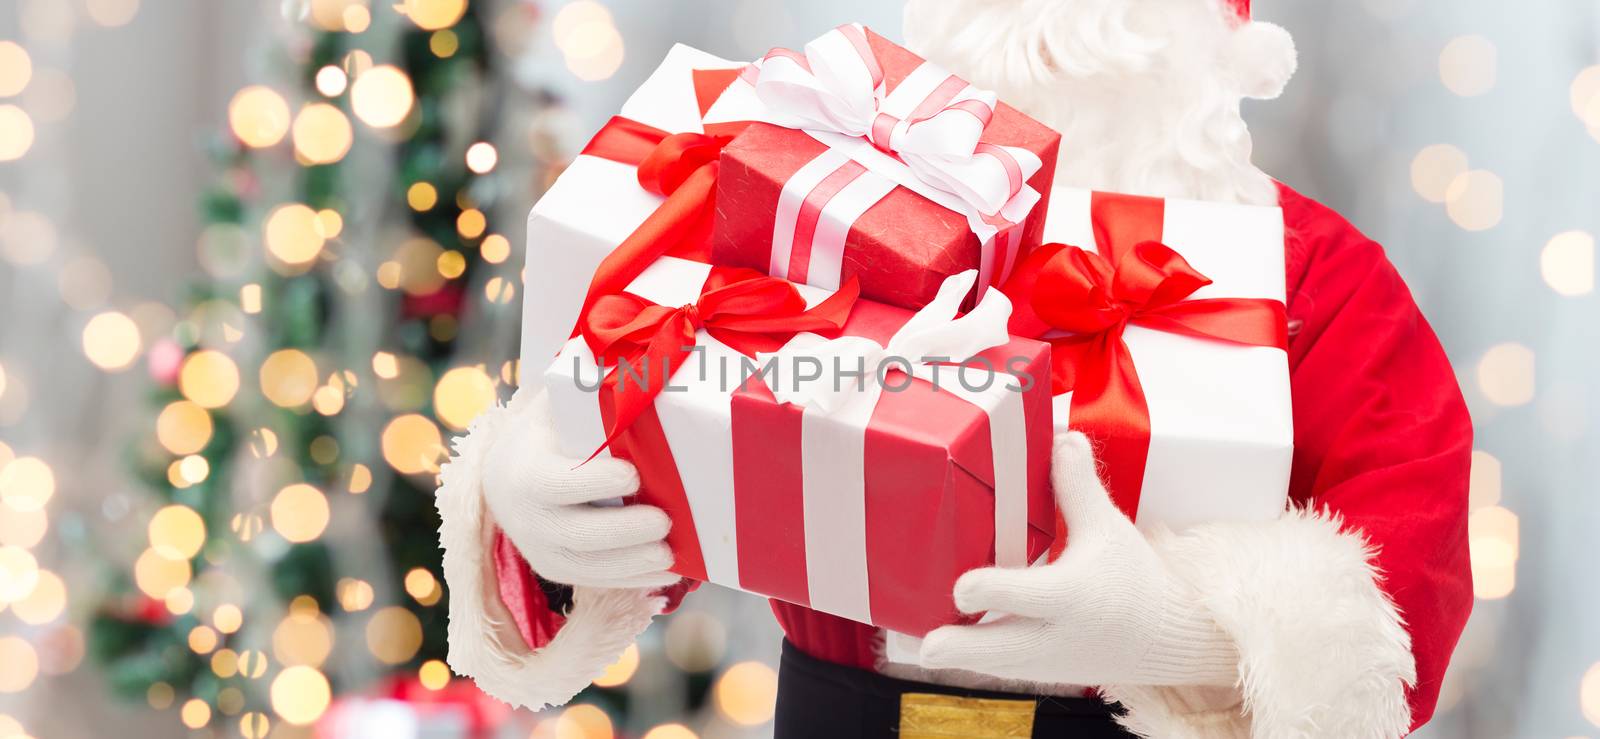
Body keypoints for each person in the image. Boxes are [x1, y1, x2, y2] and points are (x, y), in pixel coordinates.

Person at [435, 0, 1474, 736]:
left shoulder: (1309, 277)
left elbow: (1405, 585)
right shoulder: (829, 200)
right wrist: (537, 487)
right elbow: (678, 387)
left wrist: (1174, 632)